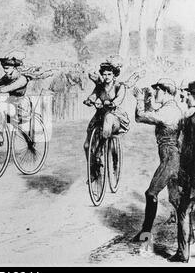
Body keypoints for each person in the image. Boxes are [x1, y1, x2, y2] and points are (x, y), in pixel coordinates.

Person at [131, 78, 183, 243]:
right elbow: (152, 110)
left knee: (151, 193)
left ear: (166, 91)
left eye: (157, 90)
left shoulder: (169, 112)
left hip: (170, 158)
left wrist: (140, 99)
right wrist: (146, 98)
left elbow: (140, 117)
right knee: (176, 199)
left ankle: (145, 234)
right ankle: (190, 237)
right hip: (172, 157)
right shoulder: (170, 108)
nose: (155, 93)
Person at [168, 81, 195, 262]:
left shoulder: (190, 115)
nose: (186, 97)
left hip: (192, 172)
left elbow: (187, 150)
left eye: (188, 94)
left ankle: (182, 253)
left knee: (184, 211)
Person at [83, 61, 130, 162]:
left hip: (114, 115)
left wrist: (112, 103)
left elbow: (119, 98)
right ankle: (92, 171)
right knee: (87, 145)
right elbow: (94, 95)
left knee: (108, 119)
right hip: (100, 115)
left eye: (109, 74)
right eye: (104, 74)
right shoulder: (100, 86)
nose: (106, 77)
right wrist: (89, 101)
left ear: (114, 75)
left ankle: (101, 147)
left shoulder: (119, 86)